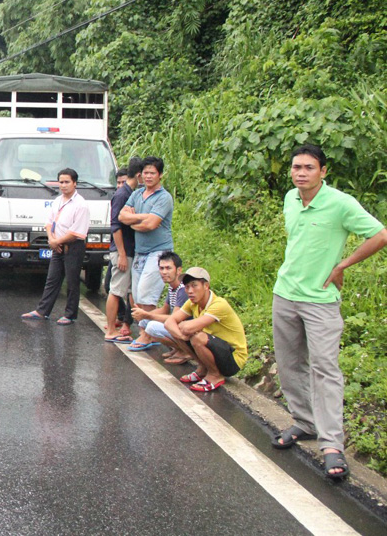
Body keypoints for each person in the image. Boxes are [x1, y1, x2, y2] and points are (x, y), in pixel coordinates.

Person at [269, 144, 387, 480]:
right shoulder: (291, 199)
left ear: (323, 171)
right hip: (285, 294)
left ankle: (332, 443)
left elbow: (380, 235)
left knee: (325, 370)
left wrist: (344, 264)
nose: (301, 173)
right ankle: (304, 422)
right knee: (290, 364)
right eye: (296, 167)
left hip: (320, 300)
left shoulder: (341, 204)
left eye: (308, 167)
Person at [21, 168, 90, 324]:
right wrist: (52, 240)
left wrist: (57, 242)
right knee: (52, 279)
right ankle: (42, 311)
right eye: (61, 182)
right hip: (57, 245)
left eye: (67, 182)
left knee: (72, 281)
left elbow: (77, 233)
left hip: (73, 247)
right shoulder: (58, 200)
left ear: (75, 183)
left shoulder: (81, 205)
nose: (63, 185)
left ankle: (70, 315)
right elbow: (49, 222)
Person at [164, 267, 247, 393]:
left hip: (232, 359)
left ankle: (215, 376)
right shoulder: (192, 303)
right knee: (179, 332)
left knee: (197, 337)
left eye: (194, 286)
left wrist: (183, 328)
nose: (190, 291)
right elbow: (169, 322)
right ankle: (202, 369)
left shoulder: (219, 304)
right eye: (187, 287)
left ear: (206, 286)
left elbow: (188, 327)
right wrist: (181, 335)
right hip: (215, 350)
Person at [118, 156, 174, 317]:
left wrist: (133, 221)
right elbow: (122, 216)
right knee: (136, 296)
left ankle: (148, 334)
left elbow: (151, 224)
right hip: (140, 251)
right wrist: (144, 217)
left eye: (152, 173)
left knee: (146, 295)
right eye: (145, 173)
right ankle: (145, 332)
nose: (148, 176)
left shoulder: (164, 198)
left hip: (158, 251)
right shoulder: (137, 194)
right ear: (140, 175)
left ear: (160, 175)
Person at [130, 251, 192, 364]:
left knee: (152, 327)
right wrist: (143, 314)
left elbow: (174, 318)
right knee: (145, 321)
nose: (164, 272)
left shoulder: (183, 290)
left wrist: (148, 315)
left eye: (168, 268)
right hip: (177, 326)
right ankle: (177, 348)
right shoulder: (172, 287)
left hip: (185, 329)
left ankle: (185, 351)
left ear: (179, 270)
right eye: (161, 268)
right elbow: (165, 309)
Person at [104, 159, 142, 342]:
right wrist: (122, 254)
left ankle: (136, 328)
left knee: (128, 291)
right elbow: (116, 226)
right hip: (122, 250)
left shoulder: (130, 193)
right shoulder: (122, 194)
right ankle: (111, 329)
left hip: (128, 250)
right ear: (139, 175)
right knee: (116, 290)